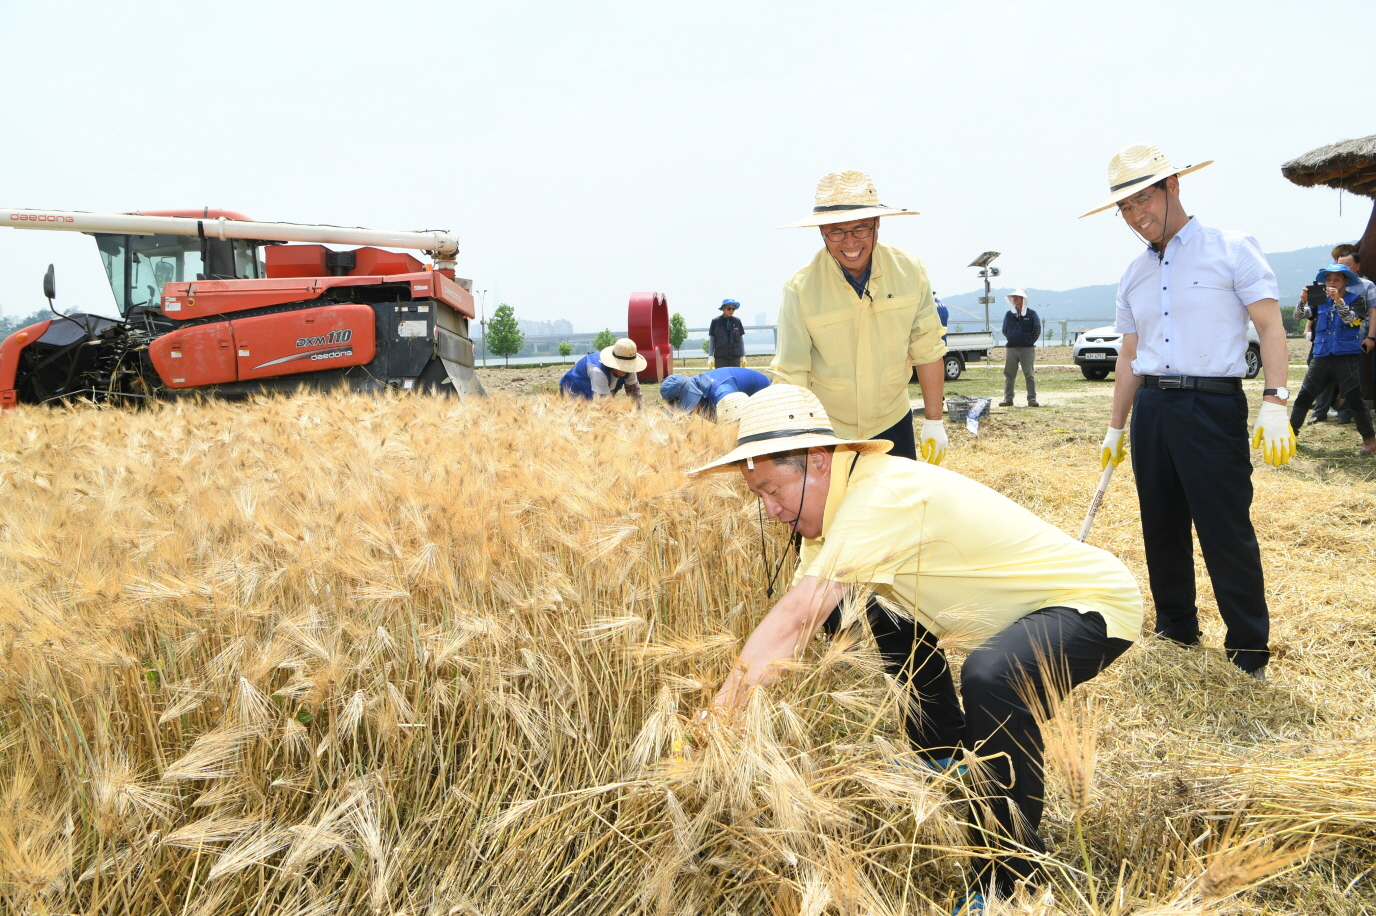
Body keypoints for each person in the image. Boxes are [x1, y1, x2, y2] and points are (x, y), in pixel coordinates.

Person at [690, 384, 1141, 909]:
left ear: (817, 461)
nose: (769, 509)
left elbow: (794, 621)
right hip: (1024, 615)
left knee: (991, 676)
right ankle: (943, 751)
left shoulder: (879, 495)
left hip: (1089, 604)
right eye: (759, 497)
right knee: (861, 604)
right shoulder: (830, 519)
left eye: (772, 490)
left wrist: (719, 717)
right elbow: (804, 619)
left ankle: (1012, 879)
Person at [1082, 142, 1293, 680]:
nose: (1136, 215)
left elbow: (1270, 326)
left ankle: (1248, 650)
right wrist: (1116, 427)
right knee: (1161, 524)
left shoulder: (1231, 248)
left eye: (1143, 199)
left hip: (1211, 404)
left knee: (1225, 528)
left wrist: (1275, 400)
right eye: (1124, 208)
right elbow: (1130, 355)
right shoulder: (1133, 273)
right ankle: (1176, 631)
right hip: (1152, 407)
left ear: (1173, 186)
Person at [771, 169, 948, 463]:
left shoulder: (910, 271)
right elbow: (792, 372)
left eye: (860, 229)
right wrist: (794, 439)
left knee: (895, 494)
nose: (850, 242)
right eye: (836, 231)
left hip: (893, 421)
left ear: (878, 223)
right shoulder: (801, 288)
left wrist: (934, 421)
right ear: (821, 231)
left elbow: (927, 349)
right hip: (829, 429)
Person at [1289, 264, 1376, 454]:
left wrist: (1338, 301)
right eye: (1328, 279)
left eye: (1337, 279)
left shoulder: (1357, 299)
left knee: (1354, 398)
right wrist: (1302, 301)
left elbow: (1351, 319)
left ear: (1346, 281)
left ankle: (1369, 439)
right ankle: (1290, 435)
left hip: (1346, 355)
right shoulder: (1319, 298)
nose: (1332, 282)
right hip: (1321, 354)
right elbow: (1298, 316)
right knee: (1304, 395)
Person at [1304, 245, 1376, 423]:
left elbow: (1372, 312)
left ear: (1357, 266)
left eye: (1348, 264)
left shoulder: (1366, 285)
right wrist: (1308, 326)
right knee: (1320, 373)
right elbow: (1313, 310)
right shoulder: (1323, 286)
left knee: (1351, 377)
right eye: (1339, 263)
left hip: (1355, 337)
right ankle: (1319, 411)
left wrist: (1371, 337)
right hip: (1325, 338)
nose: (1343, 267)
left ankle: (1347, 413)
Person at [559, 337, 645, 406]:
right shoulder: (598, 371)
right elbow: (604, 403)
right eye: (623, 366)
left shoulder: (630, 370)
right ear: (614, 363)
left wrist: (639, 414)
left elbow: (634, 393)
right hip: (574, 388)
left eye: (629, 366)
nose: (627, 369)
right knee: (582, 415)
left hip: (598, 389)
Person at [659, 366, 770, 418]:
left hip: (764, 396)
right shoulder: (697, 384)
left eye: (686, 405)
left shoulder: (723, 394)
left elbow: (734, 427)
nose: (687, 413)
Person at [1000, 288, 1041, 407]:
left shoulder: (1032, 314)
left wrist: (1029, 341)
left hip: (1027, 349)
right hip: (1011, 348)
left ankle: (1032, 399)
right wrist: (1012, 338)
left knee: (1029, 374)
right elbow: (1004, 330)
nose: (1015, 299)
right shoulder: (1009, 314)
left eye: (1017, 296)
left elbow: (1037, 330)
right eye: (1014, 297)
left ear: (1024, 299)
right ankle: (1008, 399)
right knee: (1009, 374)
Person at [708, 299, 746, 368]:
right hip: (720, 357)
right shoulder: (715, 322)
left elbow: (740, 339)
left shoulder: (737, 321)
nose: (731, 311)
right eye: (729, 308)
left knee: (735, 374)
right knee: (721, 375)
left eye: (733, 309)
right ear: (723, 308)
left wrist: (743, 355)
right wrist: (710, 356)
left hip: (735, 357)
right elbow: (712, 339)